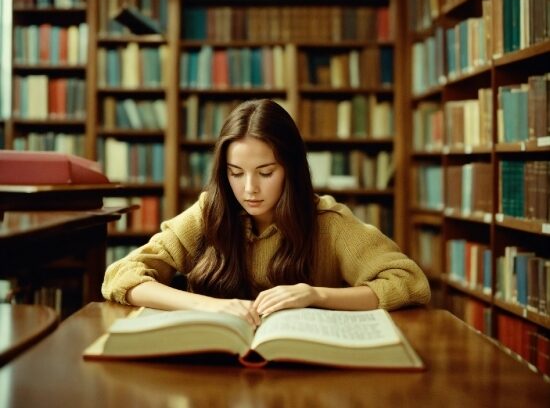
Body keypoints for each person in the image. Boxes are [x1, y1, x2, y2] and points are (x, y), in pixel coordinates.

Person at [102, 99, 430, 326]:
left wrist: (316, 295)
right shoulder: (210, 212)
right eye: (235, 172)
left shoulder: (327, 222)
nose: (249, 189)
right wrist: (209, 305)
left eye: (266, 172)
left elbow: (409, 282)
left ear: (290, 169)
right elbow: (121, 275)